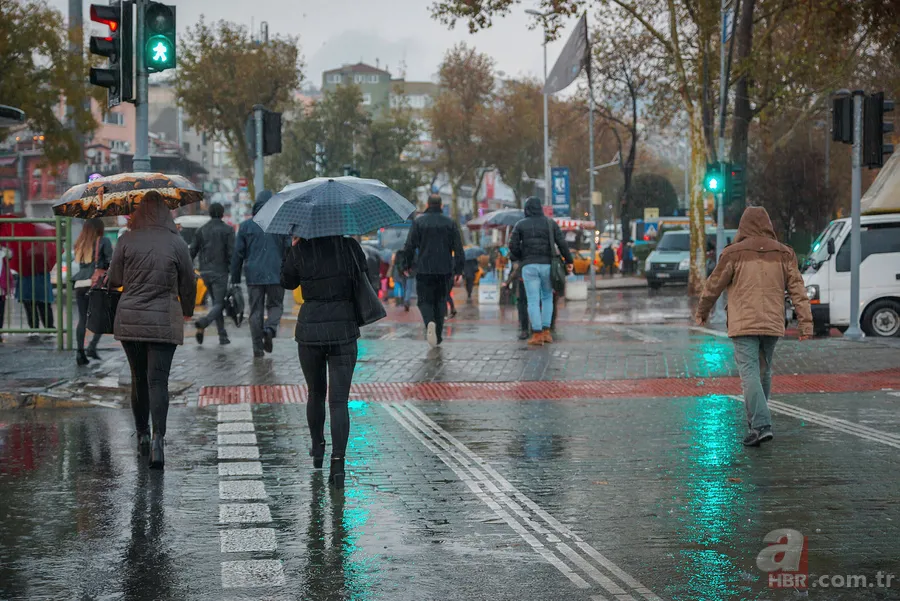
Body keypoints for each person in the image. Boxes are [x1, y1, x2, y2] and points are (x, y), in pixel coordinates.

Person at [695, 206, 813, 447]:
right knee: (763, 371)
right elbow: (798, 291)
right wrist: (805, 324)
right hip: (772, 322)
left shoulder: (733, 253)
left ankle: (760, 424)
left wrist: (702, 312)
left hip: (744, 322)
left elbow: (713, 286)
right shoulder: (784, 253)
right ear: (768, 224)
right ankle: (756, 426)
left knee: (749, 373)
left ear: (743, 226)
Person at [108, 191, 196, 469]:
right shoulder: (176, 242)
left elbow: (114, 279)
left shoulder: (126, 240)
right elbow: (189, 282)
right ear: (165, 212)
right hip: (163, 319)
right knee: (158, 381)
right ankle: (159, 441)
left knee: (138, 378)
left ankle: (143, 436)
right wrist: (188, 311)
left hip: (131, 319)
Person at [281, 235, 368, 490]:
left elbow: (286, 281)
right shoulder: (349, 247)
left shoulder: (301, 250)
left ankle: (318, 448)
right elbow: (363, 278)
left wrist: (293, 250)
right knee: (339, 401)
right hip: (343, 329)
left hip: (310, 330)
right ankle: (338, 464)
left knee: (315, 393)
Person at [509, 196, 573, 346]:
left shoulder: (520, 225)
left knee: (532, 300)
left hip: (529, 266)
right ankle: (546, 332)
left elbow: (512, 245)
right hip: (547, 265)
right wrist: (569, 260)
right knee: (547, 298)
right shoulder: (550, 223)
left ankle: (536, 333)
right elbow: (562, 243)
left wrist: (519, 257)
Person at [402, 194, 464, 347]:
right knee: (441, 301)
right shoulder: (450, 223)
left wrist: (406, 265)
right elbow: (458, 249)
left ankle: (429, 321)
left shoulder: (419, 222)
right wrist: (458, 270)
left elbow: (409, 246)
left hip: (424, 268)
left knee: (424, 300)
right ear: (441, 205)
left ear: (428, 204)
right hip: (445, 269)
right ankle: (438, 335)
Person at [231, 190, 288, 358]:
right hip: (277, 274)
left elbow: (238, 254)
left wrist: (234, 278)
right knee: (276, 305)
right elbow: (289, 249)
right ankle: (270, 329)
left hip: (254, 276)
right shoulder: (280, 225)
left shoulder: (246, 226)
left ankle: (257, 348)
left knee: (255, 311)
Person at [190, 203, 234, 346]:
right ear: (222, 214)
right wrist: (234, 271)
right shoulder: (227, 230)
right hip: (220, 272)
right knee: (219, 304)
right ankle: (204, 322)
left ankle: (223, 336)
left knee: (217, 304)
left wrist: (190, 268)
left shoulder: (201, 230)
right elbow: (231, 253)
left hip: (205, 272)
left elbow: (192, 252)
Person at [72, 218, 113, 365]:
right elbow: (110, 261)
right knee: (103, 317)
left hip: (79, 283)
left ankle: (80, 353)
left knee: (83, 318)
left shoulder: (79, 242)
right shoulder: (103, 241)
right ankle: (92, 347)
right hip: (95, 283)